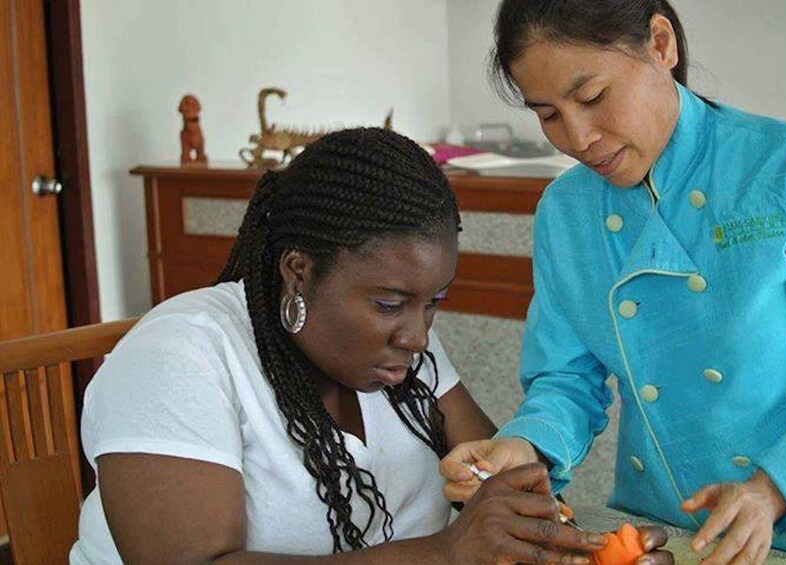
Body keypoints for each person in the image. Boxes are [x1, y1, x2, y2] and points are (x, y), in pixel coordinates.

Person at [69, 128, 672, 564]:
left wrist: (560, 543)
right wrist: (443, 553)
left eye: (432, 302)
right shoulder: (181, 358)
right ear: (299, 271)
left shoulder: (399, 357)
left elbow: (502, 489)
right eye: (389, 304)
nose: (418, 336)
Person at [440, 1, 786, 564]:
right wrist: (523, 447)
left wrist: (775, 487)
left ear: (661, 44)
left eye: (591, 98)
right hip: (654, 526)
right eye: (549, 114)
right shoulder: (566, 210)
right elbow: (566, 379)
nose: (578, 138)